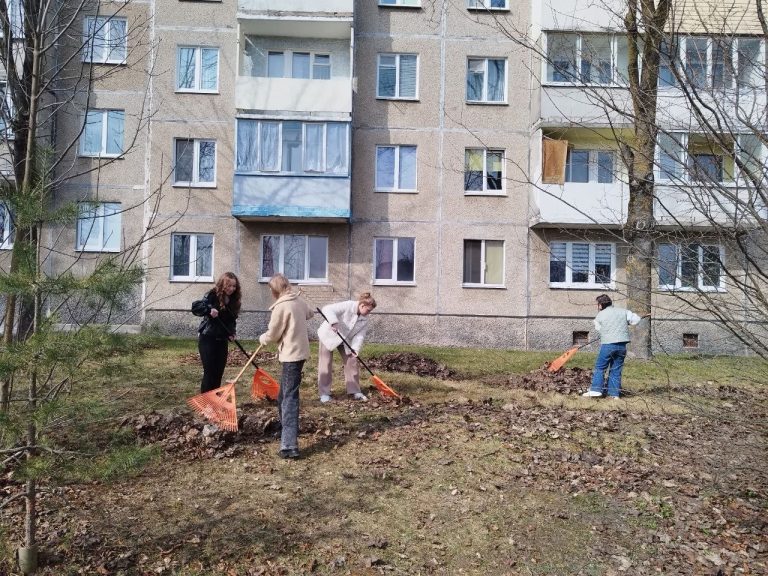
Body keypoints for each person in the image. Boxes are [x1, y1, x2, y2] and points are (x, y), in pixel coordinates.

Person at [258, 273, 313, 459]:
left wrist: (262, 338)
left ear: (274, 290)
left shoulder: (281, 306)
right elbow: (310, 314)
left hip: (292, 356)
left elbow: (273, 335)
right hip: (299, 353)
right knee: (283, 395)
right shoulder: (297, 301)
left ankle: (289, 445)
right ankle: (285, 429)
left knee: (289, 398)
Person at [317, 293, 377, 403]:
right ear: (362, 305)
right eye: (368, 310)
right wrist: (334, 322)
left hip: (345, 340)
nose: (369, 313)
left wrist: (355, 348)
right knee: (325, 363)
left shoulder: (364, 319)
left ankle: (354, 391)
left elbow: (359, 335)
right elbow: (327, 308)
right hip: (328, 335)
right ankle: (324, 393)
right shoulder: (348, 305)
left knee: (352, 361)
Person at [582, 294, 643, 399]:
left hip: (608, 345)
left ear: (601, 305)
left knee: (600, 367)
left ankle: (596, 390)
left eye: (598, 304)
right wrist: (625, 323)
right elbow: (636, 320)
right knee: (616, 369)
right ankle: (614, 394)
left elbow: (599, 328)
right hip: (622, 346)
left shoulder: (600, 316)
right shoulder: (624, 311)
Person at [191, 272, 241, 393]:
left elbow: (231, 320)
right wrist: (209, 310)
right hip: (208, 338)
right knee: (210, 372)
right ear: (223, 284)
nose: (232, 289)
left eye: (234, 286)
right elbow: (195, 307)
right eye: (229, 286)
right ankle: (206, 402)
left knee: (218, 372)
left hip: (222, 340)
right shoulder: (212, 295)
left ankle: (214, 399)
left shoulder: (234, 300)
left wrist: (231, 332)